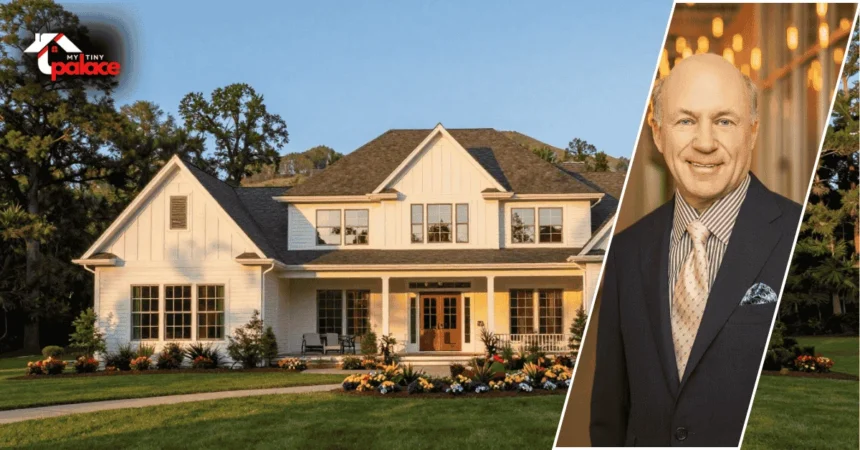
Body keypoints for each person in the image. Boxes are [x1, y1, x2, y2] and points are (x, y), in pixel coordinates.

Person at [589, 54, 802, 447]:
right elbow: (609, 411)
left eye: (724, 121)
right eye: (686, 121)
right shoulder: (625, 251)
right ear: (657, 133)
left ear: (752, 132)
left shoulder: (796, 233)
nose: (705, 143)